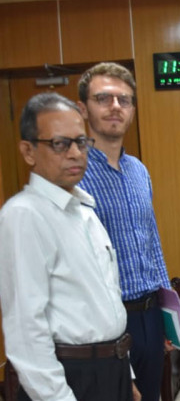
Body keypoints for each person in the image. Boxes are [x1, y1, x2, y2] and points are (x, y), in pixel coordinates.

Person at [0, 93, 133, 401]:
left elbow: (105, 303)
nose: (75, 153)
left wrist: (126, 373)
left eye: (81, 142)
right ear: (29, 151)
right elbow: (26, 330)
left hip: (111, 368)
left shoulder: (84, 210)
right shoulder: (24, 215)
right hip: (70, 377)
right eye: (60, 144)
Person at [75, 62, 170, 401]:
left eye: (124, 100)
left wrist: (168, 316)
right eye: (104, 98)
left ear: (132, 109)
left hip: (150, 317)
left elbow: (152, 243)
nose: (115, 106)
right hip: (102, 322)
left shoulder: (139, 171)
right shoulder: (74, 174)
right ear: (83, 108)